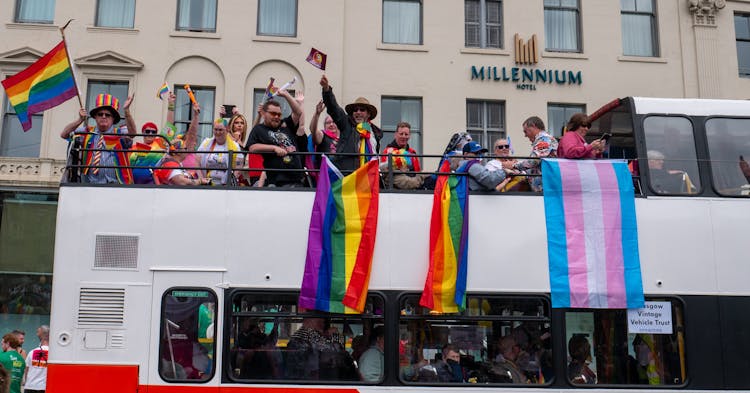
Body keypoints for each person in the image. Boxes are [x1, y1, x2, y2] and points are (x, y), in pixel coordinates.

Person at [60, 93, 136, 184]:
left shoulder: (119, 132)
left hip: (117, 184)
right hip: (90, 185)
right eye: (100, 114)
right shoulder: (86, 131)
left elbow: (132, 133)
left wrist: (126, 111)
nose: (103, 117)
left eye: (107, 115)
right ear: (95, 117)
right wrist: (79, 120)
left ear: (113, 118)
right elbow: (64, 134)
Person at [320, 75, 381, 173]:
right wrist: (327, 89)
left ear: (368, 114)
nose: (358, 112)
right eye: (355, 110)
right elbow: (334, 109)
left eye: (362, 110)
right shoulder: (347, 125)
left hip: (368, 176)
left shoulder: (375, 132)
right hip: (349, 175)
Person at [246, 97, 307, 187]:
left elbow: (298, 112)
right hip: (277, 180)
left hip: (297, 179)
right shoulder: (259, 129)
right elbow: (252, 147)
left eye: (279, 114)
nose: (276, 117)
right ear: (263, 113)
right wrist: (274, 148)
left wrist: (285, 94)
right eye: (273, 113)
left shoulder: (285, 124)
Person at [285, 317, 355, 380]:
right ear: (311, 321)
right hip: (302, 375)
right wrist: (327, 334)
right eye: (320, 322)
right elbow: (321, 347)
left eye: (323, 322)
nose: (323, 325)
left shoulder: (312, 333)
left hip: (310, 372)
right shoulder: (304, 333)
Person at [505, 116, 558, 192]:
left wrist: (513, 165)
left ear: (533, 126)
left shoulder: (544, 139)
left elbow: (533, 161)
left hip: (546, 189)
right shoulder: (542, 140)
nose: (525, 135)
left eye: (525, 131)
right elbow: (534, 167)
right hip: (544, 189)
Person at [380, 122, 429, 189]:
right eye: (401, 134)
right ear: (396, 134)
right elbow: (386, 173)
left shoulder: (412, 153)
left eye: (406, 134)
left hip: (413, 185)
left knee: (432, 177)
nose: (403, 136)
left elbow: (417, 171)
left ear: (409, 136)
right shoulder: (388, 151)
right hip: (397, 187)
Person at [196, 118, 243, 185]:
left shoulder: (235, 146)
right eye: (215, 129)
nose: (218, 132)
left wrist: (230, 182)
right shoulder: (206, 143)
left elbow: (238, 167)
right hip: (207, 183)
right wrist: (202, 179)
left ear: (227, 129)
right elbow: (197, 162)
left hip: (226, 184)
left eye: (221, 130)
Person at [23, 325, 48, 393]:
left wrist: (26, 382)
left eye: (37, 332)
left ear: (41, 336)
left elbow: (26, 370)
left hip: (30, 386)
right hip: (44, 387)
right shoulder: (53, 354)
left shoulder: (32, 352)